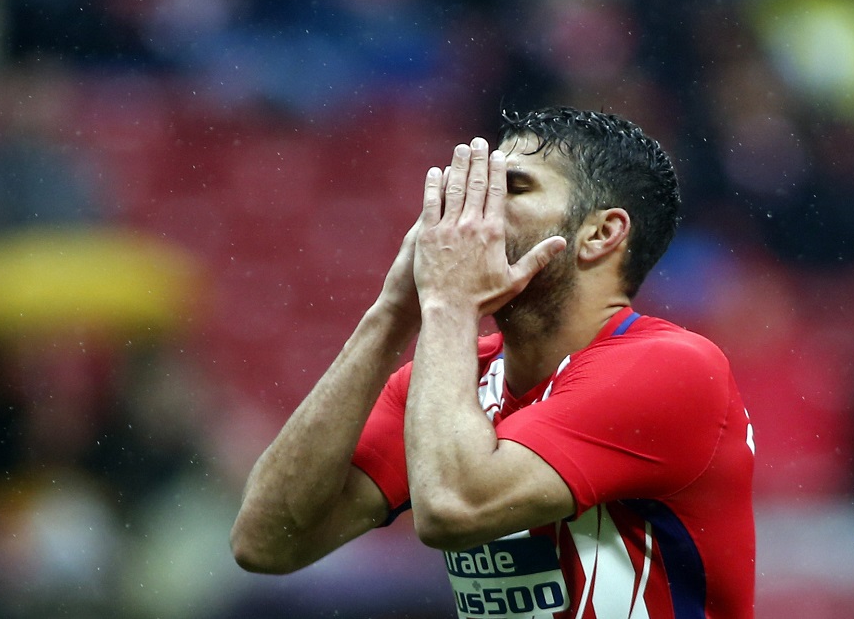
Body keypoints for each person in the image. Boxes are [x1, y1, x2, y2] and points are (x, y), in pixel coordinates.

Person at [230, 107, 755, 618]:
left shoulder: (672, 369)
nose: (470, 212)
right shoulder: (452, 382)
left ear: (601, 234)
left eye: (513, 188)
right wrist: (393, 311)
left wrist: (449, 300)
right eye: (476, 188)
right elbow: (267, 542)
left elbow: (453, 507)